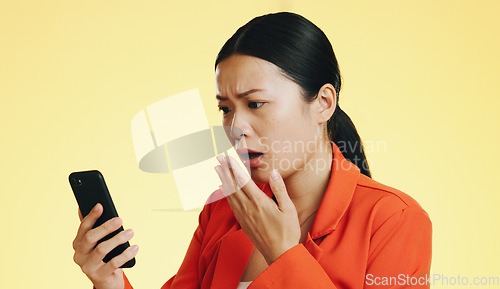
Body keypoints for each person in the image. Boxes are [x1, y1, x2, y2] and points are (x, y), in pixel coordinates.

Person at [72, 12, 432, 289]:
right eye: (225, 108)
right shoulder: (223, 208)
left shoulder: (393, 220)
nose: (235, 126)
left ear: (323, 103)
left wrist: (285, 255)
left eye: (256, 104)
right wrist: (110, 281)